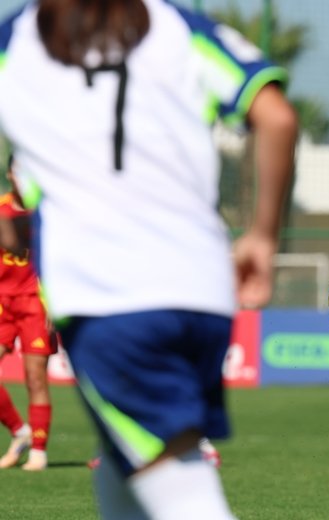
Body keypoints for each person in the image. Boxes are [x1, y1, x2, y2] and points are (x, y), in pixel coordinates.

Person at [0, 0, 297, 518]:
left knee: (181, 489)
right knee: (123, 465)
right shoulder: (180, 27)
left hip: (108, 296)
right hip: (202, 289)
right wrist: (262, 237)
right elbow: (277, 117)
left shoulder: (19, 39)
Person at [0, 156, 56, 471]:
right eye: (18, 171)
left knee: (35, 378)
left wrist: (55, 302)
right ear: (9, 174)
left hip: (36, 303)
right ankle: (19, 431)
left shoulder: (48, 212)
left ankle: (38, 451)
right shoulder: (1, 210)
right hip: (3, 303)